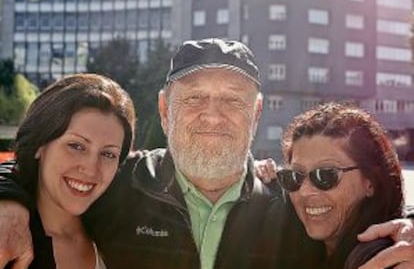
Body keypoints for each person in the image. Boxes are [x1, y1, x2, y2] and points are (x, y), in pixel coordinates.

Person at [0, 39, 414, 269]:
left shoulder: (295, 207)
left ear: (255, 114)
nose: (212, 116)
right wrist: (8, 202)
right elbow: (40, 175)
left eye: (232, 101)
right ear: (164, 110)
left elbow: (371, 218)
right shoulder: (118, 182)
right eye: (194, 98)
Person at [1, 73, 136, 268]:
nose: (91, 169)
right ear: (40, 145)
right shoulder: (6, 238)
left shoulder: (119, 231)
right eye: (76, 146)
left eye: (108, 154)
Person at [275, 102, 404, 268]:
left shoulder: (392, 261)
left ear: (370, 182)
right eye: (294, 176)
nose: (304, 191)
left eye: (326, 175)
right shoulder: (296, 244)